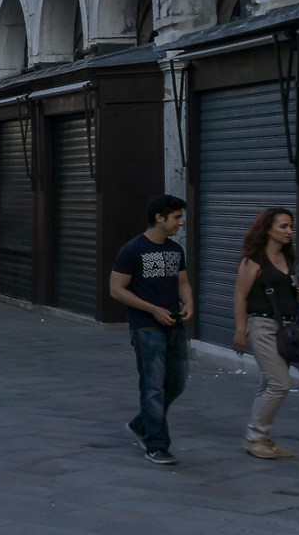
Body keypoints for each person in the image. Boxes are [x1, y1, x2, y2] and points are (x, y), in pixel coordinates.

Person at [109, 193, 194, 466]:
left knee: (176, 382)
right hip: (146, 327)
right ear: (160, 217)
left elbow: (182, 281)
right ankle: (156, 445)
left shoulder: (175, 250)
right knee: (153, 387)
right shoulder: (132, 250)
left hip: (174, 324)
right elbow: (116, 290)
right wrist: (152, 309)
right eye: (177, 217)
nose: (180, 223)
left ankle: (140, 423)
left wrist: (189, 301)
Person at [231, 207, 299, 460]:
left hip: (285, 327)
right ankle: (254, 438)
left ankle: (261, 438)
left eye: (290, 227)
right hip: (261, 325)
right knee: (279, 383)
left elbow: (289, 294)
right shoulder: (254, 260)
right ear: (268, 229)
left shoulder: (289, 258)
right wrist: (240, 331)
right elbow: (240, 296)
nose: (289, 231)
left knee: (268, 383)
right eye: (283, 226)